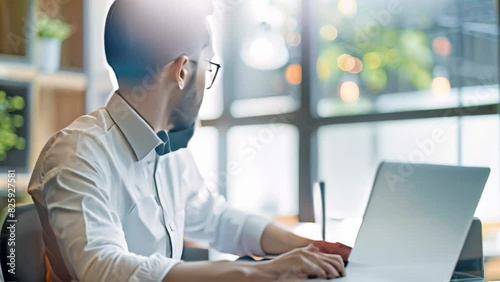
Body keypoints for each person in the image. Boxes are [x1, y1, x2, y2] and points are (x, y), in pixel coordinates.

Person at [28, 1, 350, 281]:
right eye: (208, 66)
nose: (207, 80)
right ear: (182, 71)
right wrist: (266, 272)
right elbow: (103, 269)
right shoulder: (78, 154)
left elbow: (218, 219)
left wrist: (309, 247)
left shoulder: (169, 152)